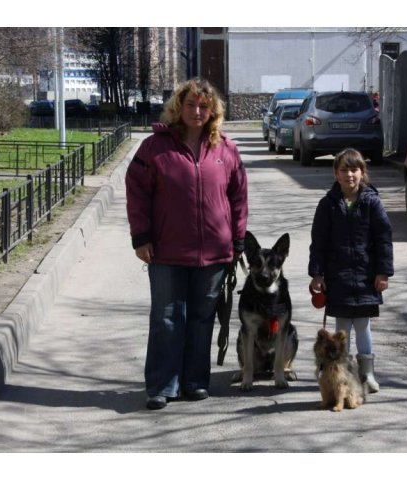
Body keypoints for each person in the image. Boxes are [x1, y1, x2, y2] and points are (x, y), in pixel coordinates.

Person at [125, 78, 248, 410]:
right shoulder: (155, 147)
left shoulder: (226, 149)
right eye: (191, 105)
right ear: (178, 108)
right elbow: (137, 192)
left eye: (203, 106)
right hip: (166, 249)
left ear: (213, 111)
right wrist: (141, 237)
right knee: (166, 317)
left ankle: (195, 381)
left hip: (214, 252)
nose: (197, 111)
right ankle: (163, 385)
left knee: (201, 317)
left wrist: (238, 238)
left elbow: (238, 197)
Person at [308, 148, 393, 393]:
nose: (349, 175)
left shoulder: (372, 203)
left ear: (362, 173)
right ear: (336, 174)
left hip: (367, 277)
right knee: (342, 328)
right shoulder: (327, 205)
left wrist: (383, 272)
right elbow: (319, 242)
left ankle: (367, 375)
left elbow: (384, 239)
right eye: (344, 170)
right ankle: (341, 375)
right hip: (338, 278)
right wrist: (317, 274)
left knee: (363, 325)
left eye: (354, 169)